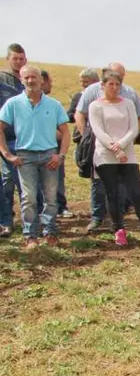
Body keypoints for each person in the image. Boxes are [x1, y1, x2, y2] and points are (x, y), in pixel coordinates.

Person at [87, 70, 140, 246]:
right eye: (110, 84)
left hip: (127, 154)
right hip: (105, 155)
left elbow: (134, 128)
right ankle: (119, 229)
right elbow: (98, 131)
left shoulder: (128, 104)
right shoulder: (95, 106)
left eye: (117, 84)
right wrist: (114, 148)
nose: (114, 87)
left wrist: (121, 146)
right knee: (112, 193)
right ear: (102, 85)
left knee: (136, 193)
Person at [0, 65, 70, 248]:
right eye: (26, 78)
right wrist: (7, 154)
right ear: (21, 80)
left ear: (41, 80)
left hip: (49, 155)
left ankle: (50, 231)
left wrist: (60, 155)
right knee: (29, 197)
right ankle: (30, 236)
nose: (30, 81)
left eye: (34, 77)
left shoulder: (53, 105)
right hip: (25, 156)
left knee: (51, 197)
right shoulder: (13, 104)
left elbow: (65, 132)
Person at [75, 62, 140, 233]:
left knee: (121, 185)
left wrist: (127, 141)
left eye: (119, 78)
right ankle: (97, 217)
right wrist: (86, 137)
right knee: (99, 183)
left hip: (125, 147)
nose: (115, 84)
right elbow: (80, 113)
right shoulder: (92, 91)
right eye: (112, 79)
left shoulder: (130, 94)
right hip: (99, 146)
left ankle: (118, 219)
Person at [0, 43, 27, 237]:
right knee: (7, 180)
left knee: (21, 180)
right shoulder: (2, 80)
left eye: (21, 58)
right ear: (8, 59)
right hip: (4, 136)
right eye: (14, 58)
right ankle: (6, 221)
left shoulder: (28, 78)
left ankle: (27, 222)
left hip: (24, 138)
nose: (18, 61)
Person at [40, 69, 73, 218]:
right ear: (42, 82)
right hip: (37, 149)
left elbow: (63, 129)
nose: (51, 84)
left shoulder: (54, 104)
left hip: (55, 150)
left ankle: (60, 207)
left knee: (57, 180)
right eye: (49, 82)